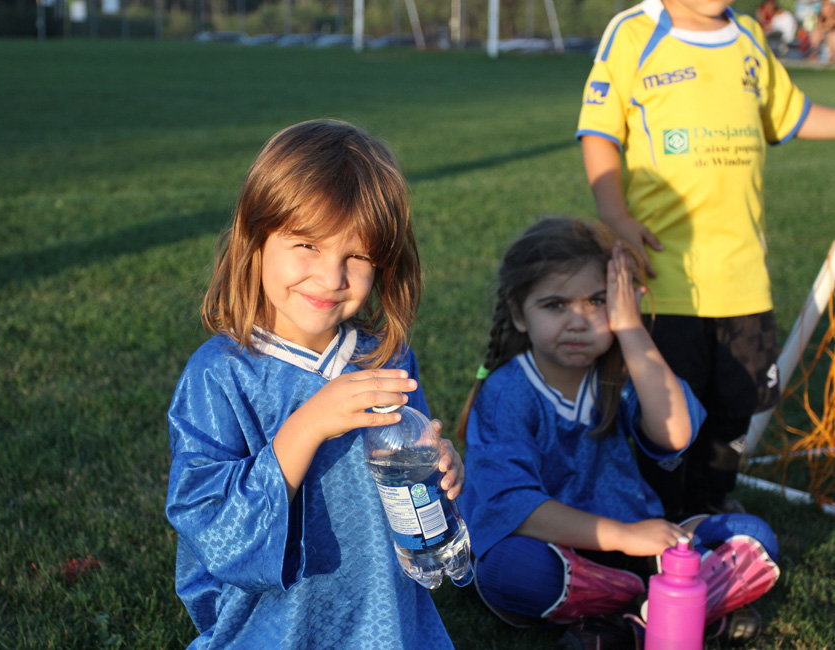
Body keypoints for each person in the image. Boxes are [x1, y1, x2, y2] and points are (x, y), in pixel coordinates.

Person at [164, 119, 465, 650]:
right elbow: (208, 523)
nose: (331, 278)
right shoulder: (221, 374)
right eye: (306, 245)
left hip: (385, 619)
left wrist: (441, 469)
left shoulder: (387, 359)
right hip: (275, 626)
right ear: (255, 240)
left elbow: (408, 467)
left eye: (357, 256)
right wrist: (306, 427)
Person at [457, 218, 781, 649]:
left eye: (597, 301)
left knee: (754, 538)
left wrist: (630, 331)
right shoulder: (506, 393)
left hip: (638, 544)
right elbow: (515, 509)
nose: (579, 321)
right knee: (509, 569)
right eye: (555, 305)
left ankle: (623, 625)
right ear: (519, 314)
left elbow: (676, 432)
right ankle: (668, 608)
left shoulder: (621, 374)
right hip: (557, 549)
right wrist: (627, 537)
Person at [576, 0, 835, 521]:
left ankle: (712, 503)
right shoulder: (634, 32)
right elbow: (600, 132)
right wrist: (617, 218)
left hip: (743, 278)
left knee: (736, 404)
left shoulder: (747, 35)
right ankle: (658, 517)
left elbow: (793, 113)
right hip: (665, 275)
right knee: (666, 412)